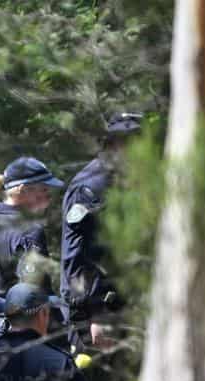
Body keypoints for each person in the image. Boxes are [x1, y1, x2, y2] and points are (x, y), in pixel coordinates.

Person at [60, 112, 144, 350]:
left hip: (120, 305)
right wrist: (95, 312)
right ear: (112, 143)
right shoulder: (92, 186)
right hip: (94, 316)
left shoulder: (122, 180)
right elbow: (77, 254)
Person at [0, 157, 64, 340]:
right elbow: (36, 294)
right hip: (22, 337)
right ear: (23, 190)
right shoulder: (29, 230)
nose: (48, 198)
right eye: (44, 190)